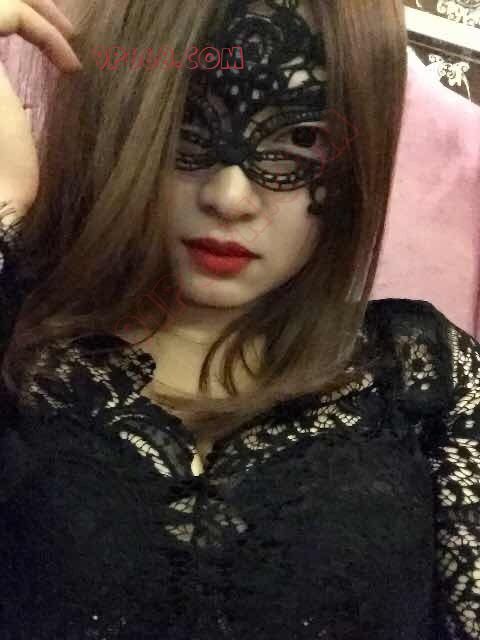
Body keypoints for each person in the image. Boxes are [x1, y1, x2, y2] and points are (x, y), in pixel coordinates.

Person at [0, 0, 478, 638]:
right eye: (189, 126)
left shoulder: (424, 375)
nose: (229, 198)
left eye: (300, 140)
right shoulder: (16, 341)